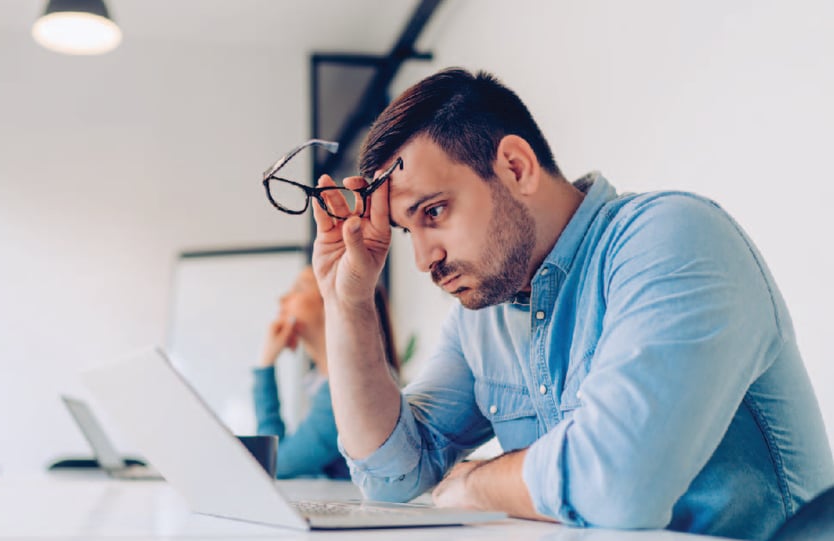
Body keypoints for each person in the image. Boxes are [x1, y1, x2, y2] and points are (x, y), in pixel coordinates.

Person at [304, 68, 834, 540]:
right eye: (406, 230)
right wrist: (347, 302)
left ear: (515, 167)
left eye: (435, 212)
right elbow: (391, 476)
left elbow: (618, 486)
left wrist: (476, 481)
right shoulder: (483, 317)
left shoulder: (673, 237)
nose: (423, 258)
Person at [251, 266, 400, 479]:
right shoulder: (322, 383)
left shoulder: (353, 388)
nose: (283, 298)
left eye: (300, 288)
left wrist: (265, 366)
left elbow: (274, 464)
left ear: (333, 303)